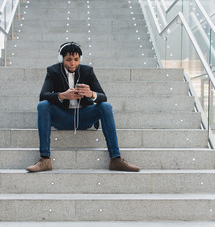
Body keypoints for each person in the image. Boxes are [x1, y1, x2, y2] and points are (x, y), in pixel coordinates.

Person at [26, 42, 140, 172]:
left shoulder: (87, 71)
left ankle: (116, 159)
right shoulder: (53, 71)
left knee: (106, 106)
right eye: (68, 60)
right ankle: (45, 159)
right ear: (61, 59)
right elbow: (43, 95)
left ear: (80, 59)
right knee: (43, 105)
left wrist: (91, 94)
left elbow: (103, 97)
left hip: (83, 117)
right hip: (62, 117)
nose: (73, 63)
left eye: (76, 60)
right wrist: (63, 95)